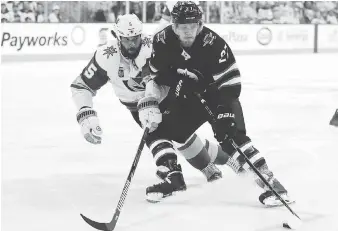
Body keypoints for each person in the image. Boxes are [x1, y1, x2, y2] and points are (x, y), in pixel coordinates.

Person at [139, 1, 295, 206]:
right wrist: (152, 96)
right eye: (183, 27)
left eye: (192, 26)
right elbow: (153, 73)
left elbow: (231, 82)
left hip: (219, 97)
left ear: (200, 25)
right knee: (157, 130)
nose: (188, 32)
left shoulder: (214, 43)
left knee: (232, 138)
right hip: (188, 99)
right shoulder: (162, 40)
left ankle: (273, 186)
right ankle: (173, 178)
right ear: (174, 27)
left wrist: (223, 112)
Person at [70, 14, 236, 202]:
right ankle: (197, 168)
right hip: (135, 106)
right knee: (169, 136)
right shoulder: (105, 55)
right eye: (126, 39)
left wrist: (157, 95)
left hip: (168, 98)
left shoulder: (153, 46)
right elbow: (81, 86)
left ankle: (184, 172)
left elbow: (171, 72)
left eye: (135, 38)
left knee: (175, 135)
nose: (132, 44)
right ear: (117, 37)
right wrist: (86, 113)